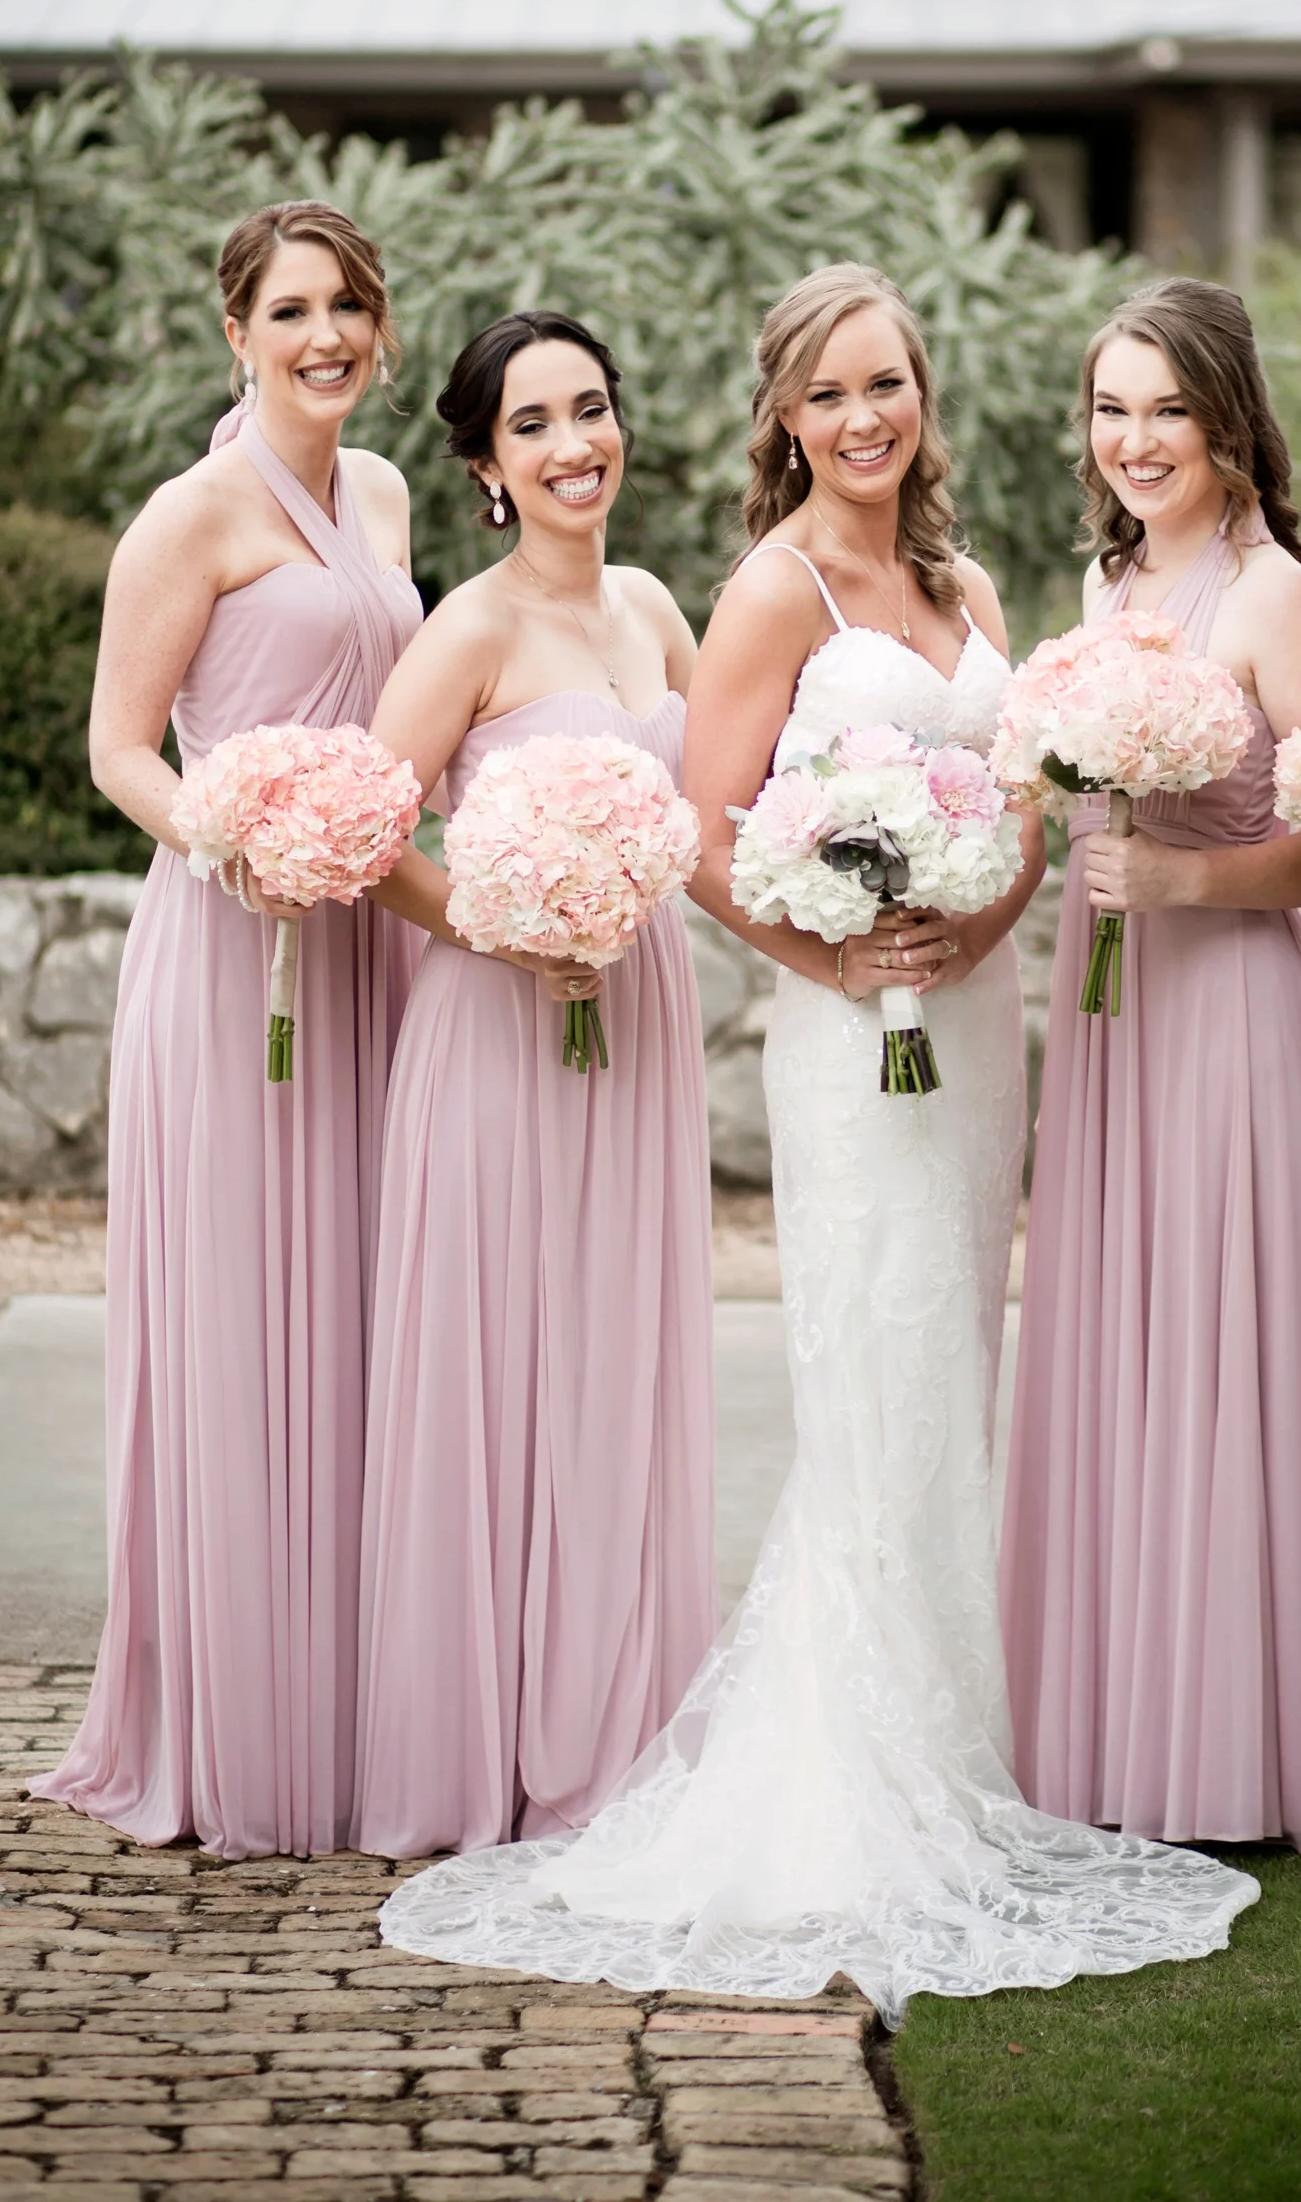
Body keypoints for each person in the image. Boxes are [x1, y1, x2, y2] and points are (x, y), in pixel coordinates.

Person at [375, 263, 1259, 2019]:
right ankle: (857, 1779)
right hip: (849, 1038)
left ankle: (963, 1754)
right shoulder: (769, 594)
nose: (868, 419)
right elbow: (705, 839)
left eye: (892, 386)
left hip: (977, 1020)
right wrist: (840, 953)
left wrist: (980, 936)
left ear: (923, 398)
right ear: (786, 416)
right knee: (878, 1372)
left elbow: (1019, 802)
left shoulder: (969, 581)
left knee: (959, 1367)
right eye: (832, 393)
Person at [33, 202, 420, 1859]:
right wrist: (233, 839)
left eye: (347, 308)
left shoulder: (389, 495)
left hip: (367, 958)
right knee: (247, 1310)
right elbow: (122, 748)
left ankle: (355, 1704)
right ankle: (231, 1721)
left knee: (354, 1312)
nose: (322, 335)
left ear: (378, 331)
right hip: (232, 955)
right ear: (236, 336)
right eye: (290, 311)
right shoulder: (187, 518)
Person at [1002, 278, 1301, 1853]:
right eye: (1111, 409)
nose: (1135, 440)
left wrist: (1188, 885)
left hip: (1231, 1021)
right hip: (1111, 1032)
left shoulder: (1275, 599)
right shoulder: (1109, 585)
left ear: (1228, 422)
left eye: (1166, 409)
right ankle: (1118, 1729)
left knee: (1225, 1366)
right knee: (1128, 1356)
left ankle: (1233, 1754)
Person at [351, 312, 715, 1860]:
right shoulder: (470, 630)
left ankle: (614, 1726)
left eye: (593, 409)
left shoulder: (650, 608)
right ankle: (477, 1750)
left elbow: (720, 801)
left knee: (615, 1366)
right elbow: (369, 841)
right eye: (536, 426)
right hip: (496, 1037)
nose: (576, 445)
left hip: (639, 1025)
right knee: (499, 1371)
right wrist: (508, 919)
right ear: (489, 466)